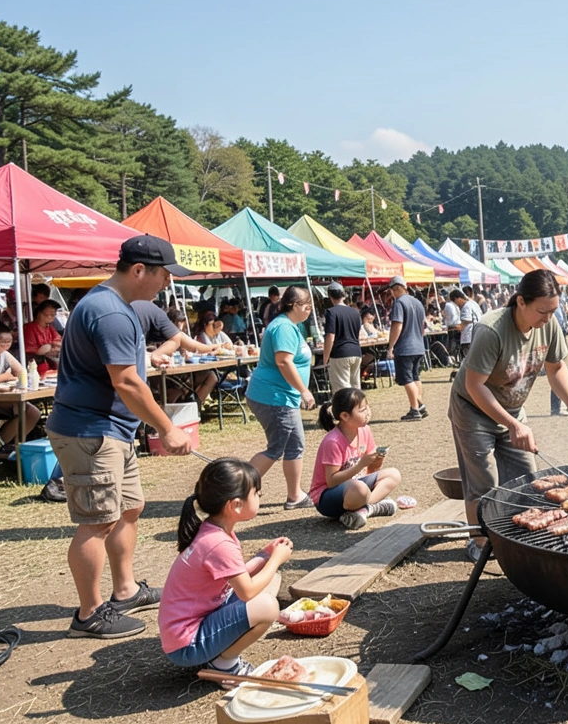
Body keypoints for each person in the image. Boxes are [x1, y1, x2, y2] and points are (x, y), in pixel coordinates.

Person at [49, 235, 195, 639]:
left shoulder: (115, 307)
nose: (166, 283)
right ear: (138, 271)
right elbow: (126, 382)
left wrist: (147, 357)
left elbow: (122, 366)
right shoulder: (110, 312)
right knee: (98, 520)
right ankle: (89, 614)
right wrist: (167, 428)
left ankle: (125, 590)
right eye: (164, 274)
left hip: (113, 429)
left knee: (129, 508)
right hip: (90, 431)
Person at [449, 270, 568, 561]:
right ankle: (478, 542)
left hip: (511, 408)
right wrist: (512, 424)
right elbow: (475, 385)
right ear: (521, 302)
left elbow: (556, 368)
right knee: (484, 481)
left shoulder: (548, 324)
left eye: (553, 311)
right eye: (542, 311)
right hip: (473, 408)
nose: (548, 319)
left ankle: (518, 535)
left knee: (528, 476)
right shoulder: (491, 330)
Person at [159, 458, 291, 679]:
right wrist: (275, 560)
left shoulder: (213, 530)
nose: (259, 497)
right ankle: (224, 663)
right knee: (268, 606)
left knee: (270, 579)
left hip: (191, 627)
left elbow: (235, 575)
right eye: (257, 493)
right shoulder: (219, 544)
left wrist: (263, 556)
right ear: (236, 505)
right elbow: (246, 591)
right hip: (186, 646)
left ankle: (219, 653)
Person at [246, 285, 318, 510]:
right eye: (307, 305)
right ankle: (237, 489)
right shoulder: (284, 327)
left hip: (282, 396)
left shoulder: (292, 326)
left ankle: (295, 495)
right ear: (294, 305)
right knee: (276, 447)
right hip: (274, 396)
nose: (309, 309)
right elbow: (283, 361)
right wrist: (304, 391)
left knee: (295, 445)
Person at [312, 387, 401, 529]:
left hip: (356, 488)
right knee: (360, 489)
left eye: (367, 408)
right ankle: (372, 506)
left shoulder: (364, 430)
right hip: (327, 497)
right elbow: (331, 482)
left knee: (393, 474)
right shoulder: (333, 441)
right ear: (345, 416)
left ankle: (365, 510)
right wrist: (360, 465)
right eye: (362, 410)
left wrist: (377, 459)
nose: (368, 413)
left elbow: (371, 470)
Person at [0, 324, 41, 449]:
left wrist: (11, 377)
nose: (5, 345)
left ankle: (16, 446)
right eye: (2, 341)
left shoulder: (4, 354)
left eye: (9, 341)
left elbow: (22, 372)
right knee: (22, 411)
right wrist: (5, 376)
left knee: (34, 413)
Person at [385, 276, 429, 421]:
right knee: (415, 376)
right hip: (418, 345)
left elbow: (397, 325)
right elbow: (422, 326)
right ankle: (419, 406)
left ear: (394, 289)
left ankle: (415, 409)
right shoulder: (417, 302)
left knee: (407, 378)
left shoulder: (399, 302)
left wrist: (391, 346)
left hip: (405, 347)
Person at [321, 282, 363, 393]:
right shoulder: (355, 312)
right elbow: (358, 331)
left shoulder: (331, 312)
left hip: (340, 353)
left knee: (342, 390)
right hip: (356, 351)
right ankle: (357, 408)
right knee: (355, 388)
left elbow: (330, 336)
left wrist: (325, 358)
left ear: (330, 296)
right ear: (343, 295)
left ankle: (345, 409)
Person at [24, 298, 63, 377]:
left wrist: (51, 347)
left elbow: (59, 342)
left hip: (51, 364)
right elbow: (32, 350)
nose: (51, 317)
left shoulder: (49, 327)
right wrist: (48, 348)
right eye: (48, 314)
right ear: (39, 313)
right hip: (35, 365)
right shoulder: (29, 328)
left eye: (53, 315)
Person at [456, 287, 482, 361]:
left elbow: (467, 320)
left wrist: (459, 327)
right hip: (477, 334)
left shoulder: (467, 306)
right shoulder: (474, 304)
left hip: (469, 336)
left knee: (469, 359)